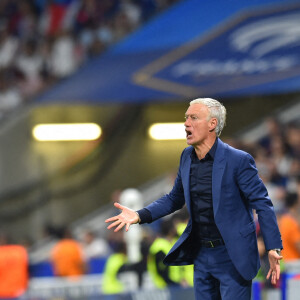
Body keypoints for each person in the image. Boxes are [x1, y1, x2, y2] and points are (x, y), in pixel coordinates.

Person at [105, 98, 283, 299]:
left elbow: (262, 204)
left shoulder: (238, 160)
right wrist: (139, 215)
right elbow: (174, 198)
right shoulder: (186, 157)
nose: (186, 123)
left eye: (193, 118)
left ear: (212, 124)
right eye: (186, 117)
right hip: (202, 254)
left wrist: (272, 246)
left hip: (233, 255)